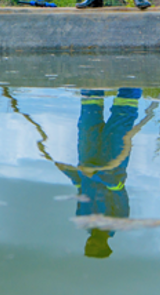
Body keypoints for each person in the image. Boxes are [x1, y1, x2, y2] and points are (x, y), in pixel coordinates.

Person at [59, 88, 140, 258]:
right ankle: (132, 78)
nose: (90, 242)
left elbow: (82, 189)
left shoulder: (83, 220)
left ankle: (91, 82)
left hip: (87, 158)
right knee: (123, 116)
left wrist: (69, 172)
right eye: (94, 246)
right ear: (104, 245)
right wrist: (96, 173)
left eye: (88, 246)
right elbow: (117, 188)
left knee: (88, 117)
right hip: (112, 163)